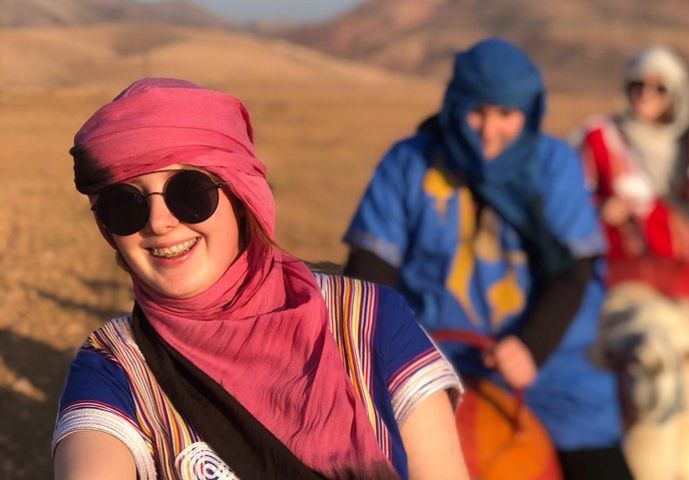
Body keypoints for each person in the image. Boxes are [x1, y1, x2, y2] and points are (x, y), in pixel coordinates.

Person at [52, 78, 469, 480]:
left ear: (239, 194)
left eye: (189, 192)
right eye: (125, 205)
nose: (160, 222)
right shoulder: (115, 369)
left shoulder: (369, 321)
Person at [343, 38, 632, 479]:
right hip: (429, 358)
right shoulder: (409, 162)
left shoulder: (553, 164)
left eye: (506, 114)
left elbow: (576, 271)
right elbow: (371, 272)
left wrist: (531, 347)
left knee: (597, 461)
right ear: (454, 103)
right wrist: (385, 355)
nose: (488, 130)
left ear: (530, 112)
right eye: (476, 111)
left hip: (548, 366)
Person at [576, 46, 689, 480]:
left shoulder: (686, 153)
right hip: (621, 275)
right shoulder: (600, 139)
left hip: (685, 278)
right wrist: (601, 210)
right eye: (637, 86)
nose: (644, 96)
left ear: (675, 95)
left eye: (657, 88)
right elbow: (568, 201)